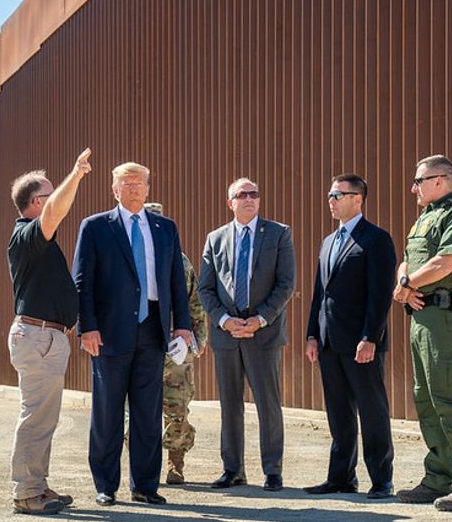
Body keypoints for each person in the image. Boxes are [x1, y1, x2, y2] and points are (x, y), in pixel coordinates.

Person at [73, 163, 193, 507]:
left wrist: (182, 326)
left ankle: (144, 485)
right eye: (127, 184)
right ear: (114, 190)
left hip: (152, 329)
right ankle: (106, 486)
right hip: (108, 333)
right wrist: (87, 327)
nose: (134, 189)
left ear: (148, 188)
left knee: (147, 412)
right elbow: (82, 281)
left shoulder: (165, 228)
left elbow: (175, 283)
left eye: (140, 183)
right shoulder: (96, 227)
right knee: (107, 411)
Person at [392, 154, 452, 512]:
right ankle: (437, 478)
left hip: (450, 319)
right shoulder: (426, 218)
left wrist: (405, 285)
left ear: (441, 180)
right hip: (423, 316)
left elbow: (445, 262)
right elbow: (409, 258)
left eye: (419, 181)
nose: (413, 188)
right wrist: (405, 282)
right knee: (427, 400)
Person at [6, 148, 92, 515]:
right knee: (36, 416)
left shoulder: (39, 242)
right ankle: (26, 493)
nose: (56, 198)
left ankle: (37, 486)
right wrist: (75, 175)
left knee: (45, 417)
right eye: (50, 193)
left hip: (48, 336)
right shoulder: (25, 235)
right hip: (38, 335)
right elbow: (57, 211)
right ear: (35, 202)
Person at [198, 178, 295, 492]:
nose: (250, 199)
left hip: (263, 334)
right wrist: (225, 320)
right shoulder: (215, 238)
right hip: (227, 335)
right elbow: (205, 288)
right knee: (229, 404)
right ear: (231, 202)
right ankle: (233, 470)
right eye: (242, 195)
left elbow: (285, 284)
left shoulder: (279, 233)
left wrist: (261, 319)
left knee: (268, 404)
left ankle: (273, 470)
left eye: (254, 193)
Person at [304, 174, 396, 499]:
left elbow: (380, 295)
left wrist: (371, 336)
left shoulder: (376, 239)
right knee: (338, 412)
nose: (331, 199)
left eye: (338, 194)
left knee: (372, 411)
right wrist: (312, 335)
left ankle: (381, 479)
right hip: (329, 343)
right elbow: (319, 292)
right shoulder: (329, 241)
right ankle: (341, 477)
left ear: (357, 199)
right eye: (330, 194)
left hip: (361, 343)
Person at [143, 202, 208, 485]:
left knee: (177, 408)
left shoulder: (179, 261)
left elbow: (195, 303)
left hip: (175, 347)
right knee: (137, 410)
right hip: (142, 345)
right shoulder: (131, 257)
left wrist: (199, 338)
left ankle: (175, 462)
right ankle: (143, 464)